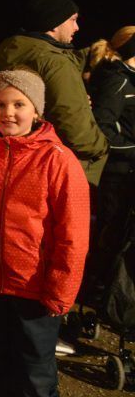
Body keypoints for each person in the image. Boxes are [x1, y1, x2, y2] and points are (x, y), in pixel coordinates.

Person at [0, 69, 89, 397]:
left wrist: (61, 289)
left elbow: (74, 232)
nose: (8, 112)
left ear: (36, 110)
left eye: (18, 104)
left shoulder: (58, 161)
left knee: (35, 373)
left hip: (34, 290)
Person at [0, 0, 109, 186]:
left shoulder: (15, 52)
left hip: (23, 155)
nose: (77, 27)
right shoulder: (55, 63)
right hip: (65, 162)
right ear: (54, 23)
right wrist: (100, 146)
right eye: (73, 20)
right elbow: (71, 119)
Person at [84, 27, 135, 296]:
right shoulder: (119, 81)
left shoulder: (130, 80)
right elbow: (103, 129)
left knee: (120, 234)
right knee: (110, 233)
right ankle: (96, 288)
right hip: (116, 174)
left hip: (128, 172)